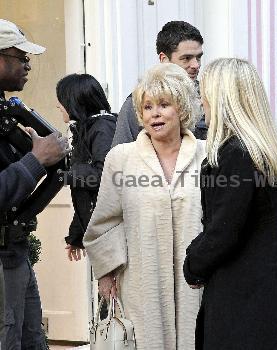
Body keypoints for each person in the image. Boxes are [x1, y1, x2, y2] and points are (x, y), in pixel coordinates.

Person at [183, 58, 277, 350]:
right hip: (269, 290)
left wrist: (193, 265)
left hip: (243, 299)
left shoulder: (236, 154)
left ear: (222, 98)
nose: (201, 100)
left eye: (205, 92)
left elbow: (225, 231)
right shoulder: (265, 149)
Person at [84, 63, 205, 350]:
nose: (155, 113)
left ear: (182, 108)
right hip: (141, 280)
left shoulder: (207, 154)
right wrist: (106, 271)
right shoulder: (121, 158)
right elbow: (105, 221)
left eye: (164, 104)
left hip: (198, 283)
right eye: (148, 106)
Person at [0, 19, 68, 348]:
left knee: (31, 339)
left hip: (14, 251)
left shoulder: (7, 114)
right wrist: (36, 159)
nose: (28, 65)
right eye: (20, 57)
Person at [111, 20, 207, 145]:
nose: (196, 65)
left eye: (198, 57)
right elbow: (120, 157)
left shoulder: (208, 97)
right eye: (186, 58)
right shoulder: (138, 101)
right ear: (164, 59)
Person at [56, 73, 116, 261]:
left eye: (61, 100)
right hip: (101, 232)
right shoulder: (88, 128)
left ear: (74, 101)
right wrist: (76, 235)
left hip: (110, 234)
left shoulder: (102, 128)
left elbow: (101, 177)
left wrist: (63, 172)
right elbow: (85, 195)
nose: (58, 105)